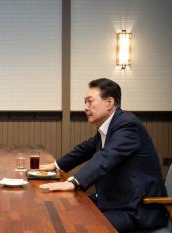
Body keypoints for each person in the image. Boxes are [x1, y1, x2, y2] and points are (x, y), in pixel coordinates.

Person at [39, 78, 167, 232]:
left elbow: (107, 156)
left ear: (109, 102)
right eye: (84, 102)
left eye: (90, 102)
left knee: (80, 226)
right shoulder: (109, 126)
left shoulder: (128, 125)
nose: (85, 108)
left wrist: (74, 182)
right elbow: (85, 148)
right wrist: (56, 165)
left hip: (137, 208)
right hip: (116, 200)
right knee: (66, 208)